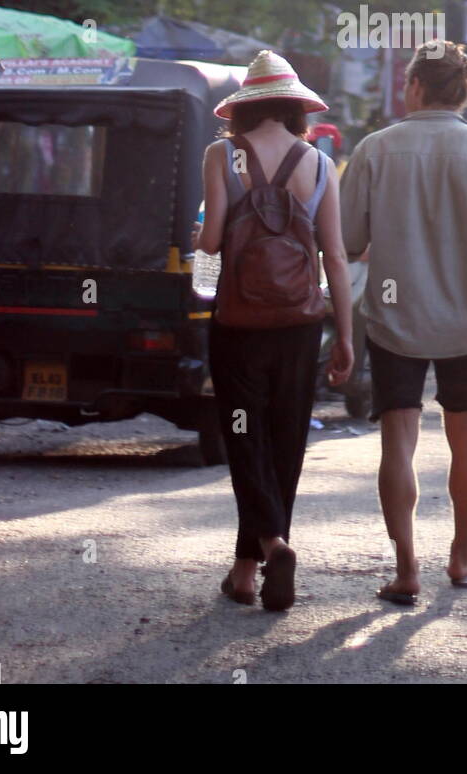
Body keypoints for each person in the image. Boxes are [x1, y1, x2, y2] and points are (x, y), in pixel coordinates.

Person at [339, 40, 467, 604]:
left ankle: (406, 570)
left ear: (413, 86)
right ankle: (462, 556)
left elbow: (348, 242)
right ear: (463, 90)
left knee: (399, 440)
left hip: (394, 320)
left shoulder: (375, 149)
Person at [195, 50, 354, 611]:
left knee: (244, 435)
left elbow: (212, 241)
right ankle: (248, 571)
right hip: (300, 323)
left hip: (237, 320)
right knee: (286, 440)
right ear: (294, 108)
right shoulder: (318, 162)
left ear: (241, 109)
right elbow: (334, 257)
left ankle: (268, 544)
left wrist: (200, 261)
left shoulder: (222, 153)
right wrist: (348, 338)